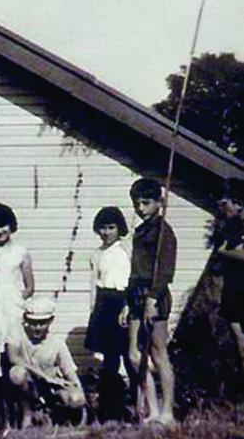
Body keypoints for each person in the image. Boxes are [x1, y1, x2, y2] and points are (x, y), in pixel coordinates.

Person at [119, 178, 177, 426]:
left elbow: (166, 270)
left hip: (156, 295)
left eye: (146, 202)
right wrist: (127, 302)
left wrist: (153, 298)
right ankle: (151, 410)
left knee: (157, 352)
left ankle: (167, 413)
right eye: (136, 203)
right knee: (134, 355)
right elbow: (135, 269)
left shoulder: (164, 232)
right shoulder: (140, 231)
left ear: (159, 203)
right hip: (136, 295)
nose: (140, 207)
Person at [0, 202, 34, 428]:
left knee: (15, 364)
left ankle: (26, 413)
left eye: (4, 226)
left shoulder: (21, 251)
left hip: (12, 312)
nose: (0, 231)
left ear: (11, 226)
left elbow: (30, 286)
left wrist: (18, 300)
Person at [85, 206, 133, 421]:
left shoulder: (126, 250)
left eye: (111, 227)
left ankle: (137, 404)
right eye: (102, 228)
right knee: (110, 359)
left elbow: (131, 281)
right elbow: (94, 284)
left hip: (123, 303)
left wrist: (128, 306)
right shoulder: (96, 254)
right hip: (104, 304)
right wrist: (93, 310)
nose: (106, 232)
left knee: (130, 356)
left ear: (119, 228)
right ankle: (110, 408)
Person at [7, 297, 85, 428]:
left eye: (42, 323)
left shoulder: (56, 342)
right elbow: (13, 357)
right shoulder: (17, 333)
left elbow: (70, 372)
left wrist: (78, 392)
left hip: (51, 389)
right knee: (17, 373)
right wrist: (44, 376)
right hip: (28, 386)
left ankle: (55, 413)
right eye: (33, 322)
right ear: (25, 320)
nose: (37, 328)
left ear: (51, 321)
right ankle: (28, 414)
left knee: (76, 398)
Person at [213, 179, 244, 375]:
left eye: (226, 203)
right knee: (239, 341)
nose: (223, 208)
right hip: (234, 288)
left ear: (238, 203)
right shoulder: (230, 227)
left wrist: (226, 251)